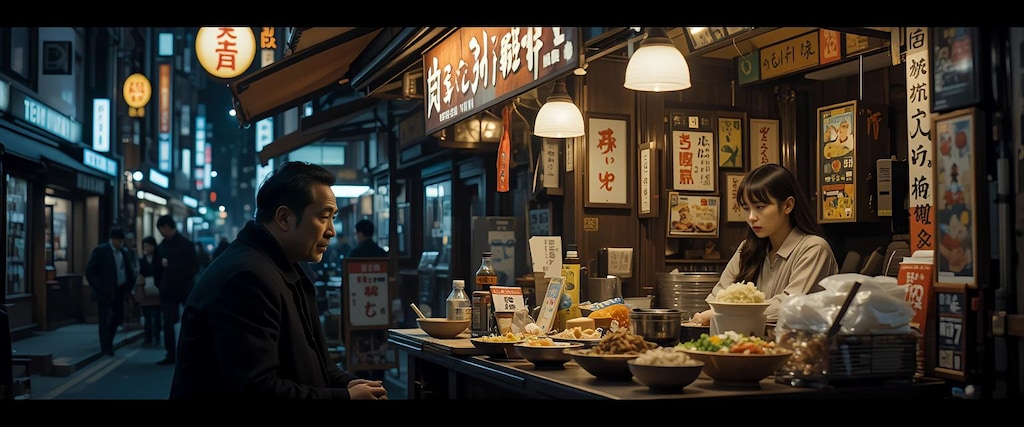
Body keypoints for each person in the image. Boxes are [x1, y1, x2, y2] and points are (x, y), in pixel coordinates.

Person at [169, 161, 388, 400]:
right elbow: (256, 389)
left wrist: (351, 384)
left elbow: (318, 366)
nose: (331, 230)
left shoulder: (286, 268)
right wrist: (346, 397)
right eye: (324, 217)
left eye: (332, 218)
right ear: (284, 218)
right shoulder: (247, 278)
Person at [691, 163, 839, 326]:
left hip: (799, 346)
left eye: (760, 207)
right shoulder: (747, 248)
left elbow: (790, 305)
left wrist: (724, 313)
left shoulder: (814, 249)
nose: (751, 217)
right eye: (747, 208)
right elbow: (718, 296)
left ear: (788, 205)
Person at [154, 214, 200, 365]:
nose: (161, 232)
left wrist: (173, 268)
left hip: (184, 288)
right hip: (168, 290)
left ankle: (190, 353)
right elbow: (156, 269)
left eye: (161, 229)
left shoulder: (185, 244)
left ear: (167, 227)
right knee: (168, 323)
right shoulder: (161, 247)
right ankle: (171, 354)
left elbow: (195, 267)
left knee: (190, 323)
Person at [85, 226, 137, 356]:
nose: (121, 243)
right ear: (112, 239)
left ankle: (109, 342)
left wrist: (129, 287)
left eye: (122, 241)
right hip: (105, 292)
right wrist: (99, 287)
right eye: (119, 240)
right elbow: (90, 271)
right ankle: (106, 347)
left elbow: (128, 270)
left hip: (119, 290)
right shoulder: (101, 251)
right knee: (104, 320)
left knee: (117, 318)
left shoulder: (123, 252)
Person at [133, 236, 162, 347]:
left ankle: (157, 336)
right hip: (145, 290)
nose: (146, 248)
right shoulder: (142, 260)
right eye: (144, 246)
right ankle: (148, 338)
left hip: (156, 290)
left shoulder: (159, 259)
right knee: (147, 316)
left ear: (153, 246)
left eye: (148, 245)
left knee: (156, 315)